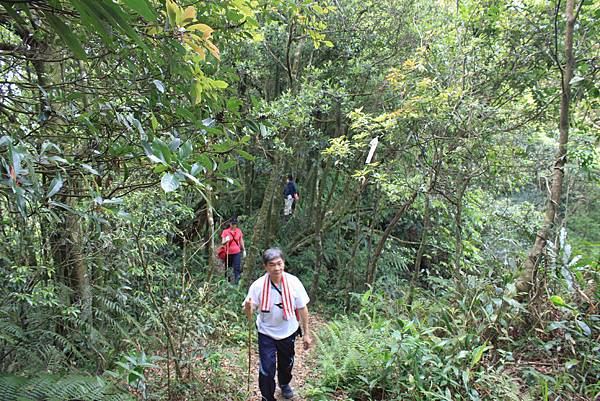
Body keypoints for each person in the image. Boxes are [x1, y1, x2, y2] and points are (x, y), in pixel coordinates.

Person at [243, 248, 313, 400]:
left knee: (286, 363)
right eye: (272, 264)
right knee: (266, 369)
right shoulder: (258, 286)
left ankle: (285, 383)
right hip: (266, 332)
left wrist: (307, 333)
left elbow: (302, 308)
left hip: (289, 330)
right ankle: (267, 397)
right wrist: (248, 308)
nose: (276, 268)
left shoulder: (294, 282)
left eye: (279, 264)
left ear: (284, 263)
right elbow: (249, 313)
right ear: (265, 266)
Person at [221, 216, 245, 284]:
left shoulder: (239, 231)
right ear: (230, 223)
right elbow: (222, 243)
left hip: (237, 252)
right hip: (228, 253)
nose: (234, 225)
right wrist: (226, 240)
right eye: (232, 224)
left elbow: (241, 241)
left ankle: (237, 284)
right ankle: (226, 283)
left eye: (235, 224)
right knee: (228, 268)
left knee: (237, 268)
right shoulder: (225, 232)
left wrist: (244, 250)